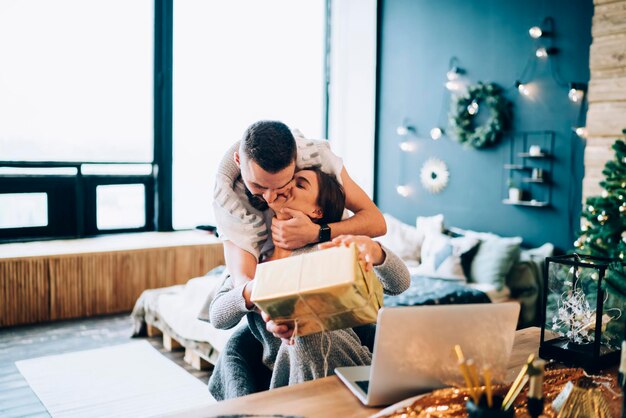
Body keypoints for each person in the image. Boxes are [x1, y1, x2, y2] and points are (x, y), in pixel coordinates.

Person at [209, 167, 409, 393]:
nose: (287, 186)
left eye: (300, 184)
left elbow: (399, 284)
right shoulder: (250, 263)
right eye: (287, 181)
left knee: (306, 332)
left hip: (345, 363)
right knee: (300, 335)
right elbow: (217, 316)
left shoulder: (324, 252)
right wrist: (255, 289)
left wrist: (375, 251)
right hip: (286, 376)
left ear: (317, 210)